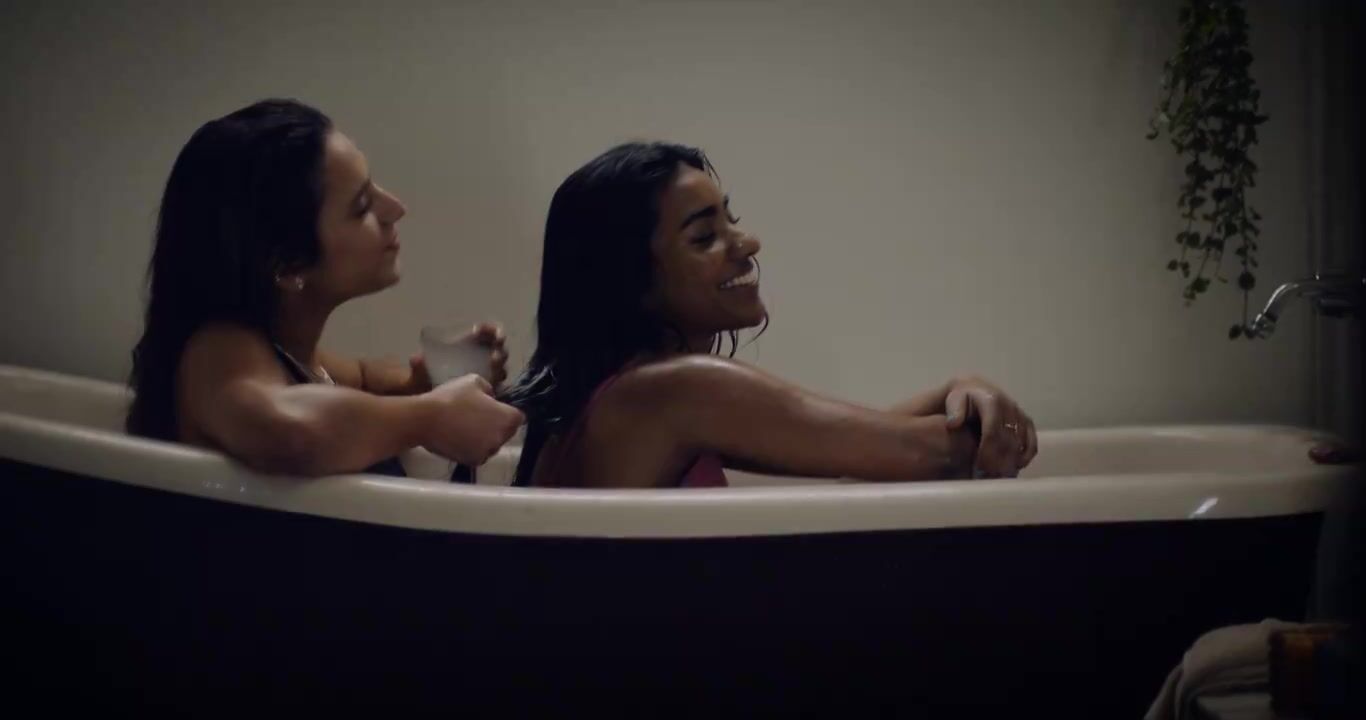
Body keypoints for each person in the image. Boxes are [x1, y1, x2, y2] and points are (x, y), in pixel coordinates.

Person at [504, 142, 1037, 488]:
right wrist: (990, 422)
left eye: (730, 220)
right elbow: (935, 455)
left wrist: (953, 391)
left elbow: (848, 445)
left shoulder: (611, 400)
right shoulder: (678, 391)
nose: (748, 242)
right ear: (631, 281)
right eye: (704, 236)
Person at [127, 99, 523, 477]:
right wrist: (430, 418)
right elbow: (287, 430)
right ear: (287, 265)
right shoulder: (218, 349)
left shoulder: (292, 355)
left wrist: (427, 383)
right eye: (362, 205)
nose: (395, 208)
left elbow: (365, 381)